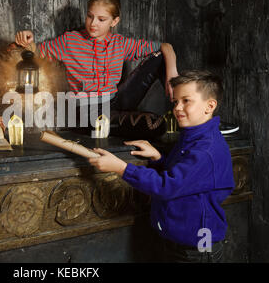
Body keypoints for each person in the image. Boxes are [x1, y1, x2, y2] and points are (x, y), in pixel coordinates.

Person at [88, 70, 235, 262]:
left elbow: (167, 186)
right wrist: (158, 158)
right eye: (175, 102)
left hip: (196, 248)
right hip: (177, 241)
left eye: (186, 101)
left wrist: (121, 168)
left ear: (210, 106)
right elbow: (186, 179)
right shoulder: (192, 136)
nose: (177, 107)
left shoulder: (206, 149)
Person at [15, 0, 178, 124]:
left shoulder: (120, 43)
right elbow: (33, 52)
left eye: (101, 19)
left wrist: (172, 75)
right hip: (86, 109)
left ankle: (176, 111)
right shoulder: (70, 41)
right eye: (90, 16)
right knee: (150, 125)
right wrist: (27, 39)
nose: (93, 23)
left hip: (116, 102)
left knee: (160, 57)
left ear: (114, 21)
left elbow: (165, 47)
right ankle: (137, 122)